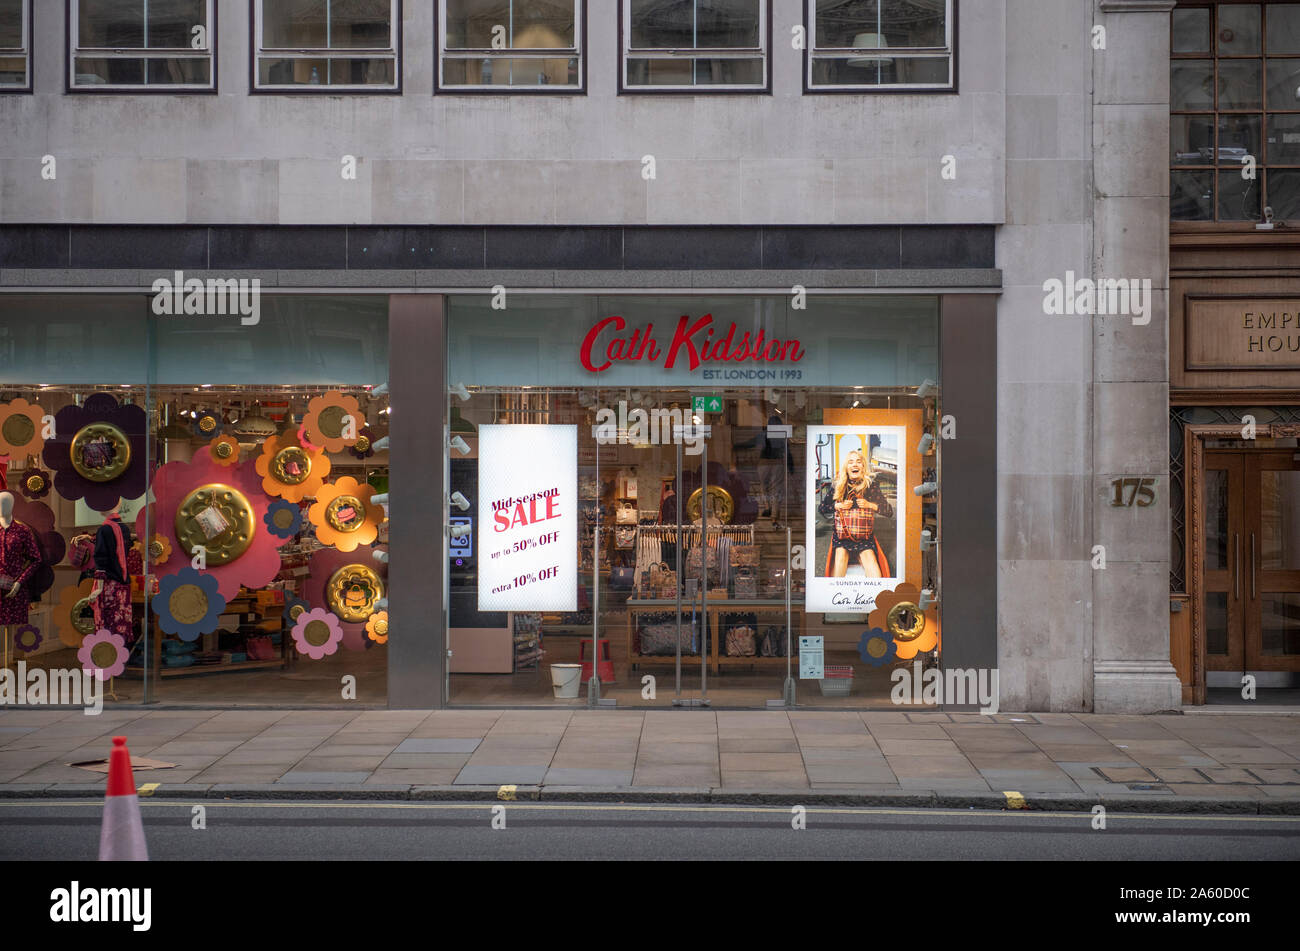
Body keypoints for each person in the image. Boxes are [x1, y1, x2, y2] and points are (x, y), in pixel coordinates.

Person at [818, 449, 893, 578]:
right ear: (846, 467)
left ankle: (875, 596)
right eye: (851, 462)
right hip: (842, 537)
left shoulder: (871, 486)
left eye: (858, 462)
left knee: (873, 567)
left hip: (864, 537)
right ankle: (836, 595)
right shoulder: (838, 486)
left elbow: (889, 511)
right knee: (840, 557)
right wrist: (837, 506)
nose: (855, 465)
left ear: (863, 466)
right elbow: (822, 508)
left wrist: (870, 505)